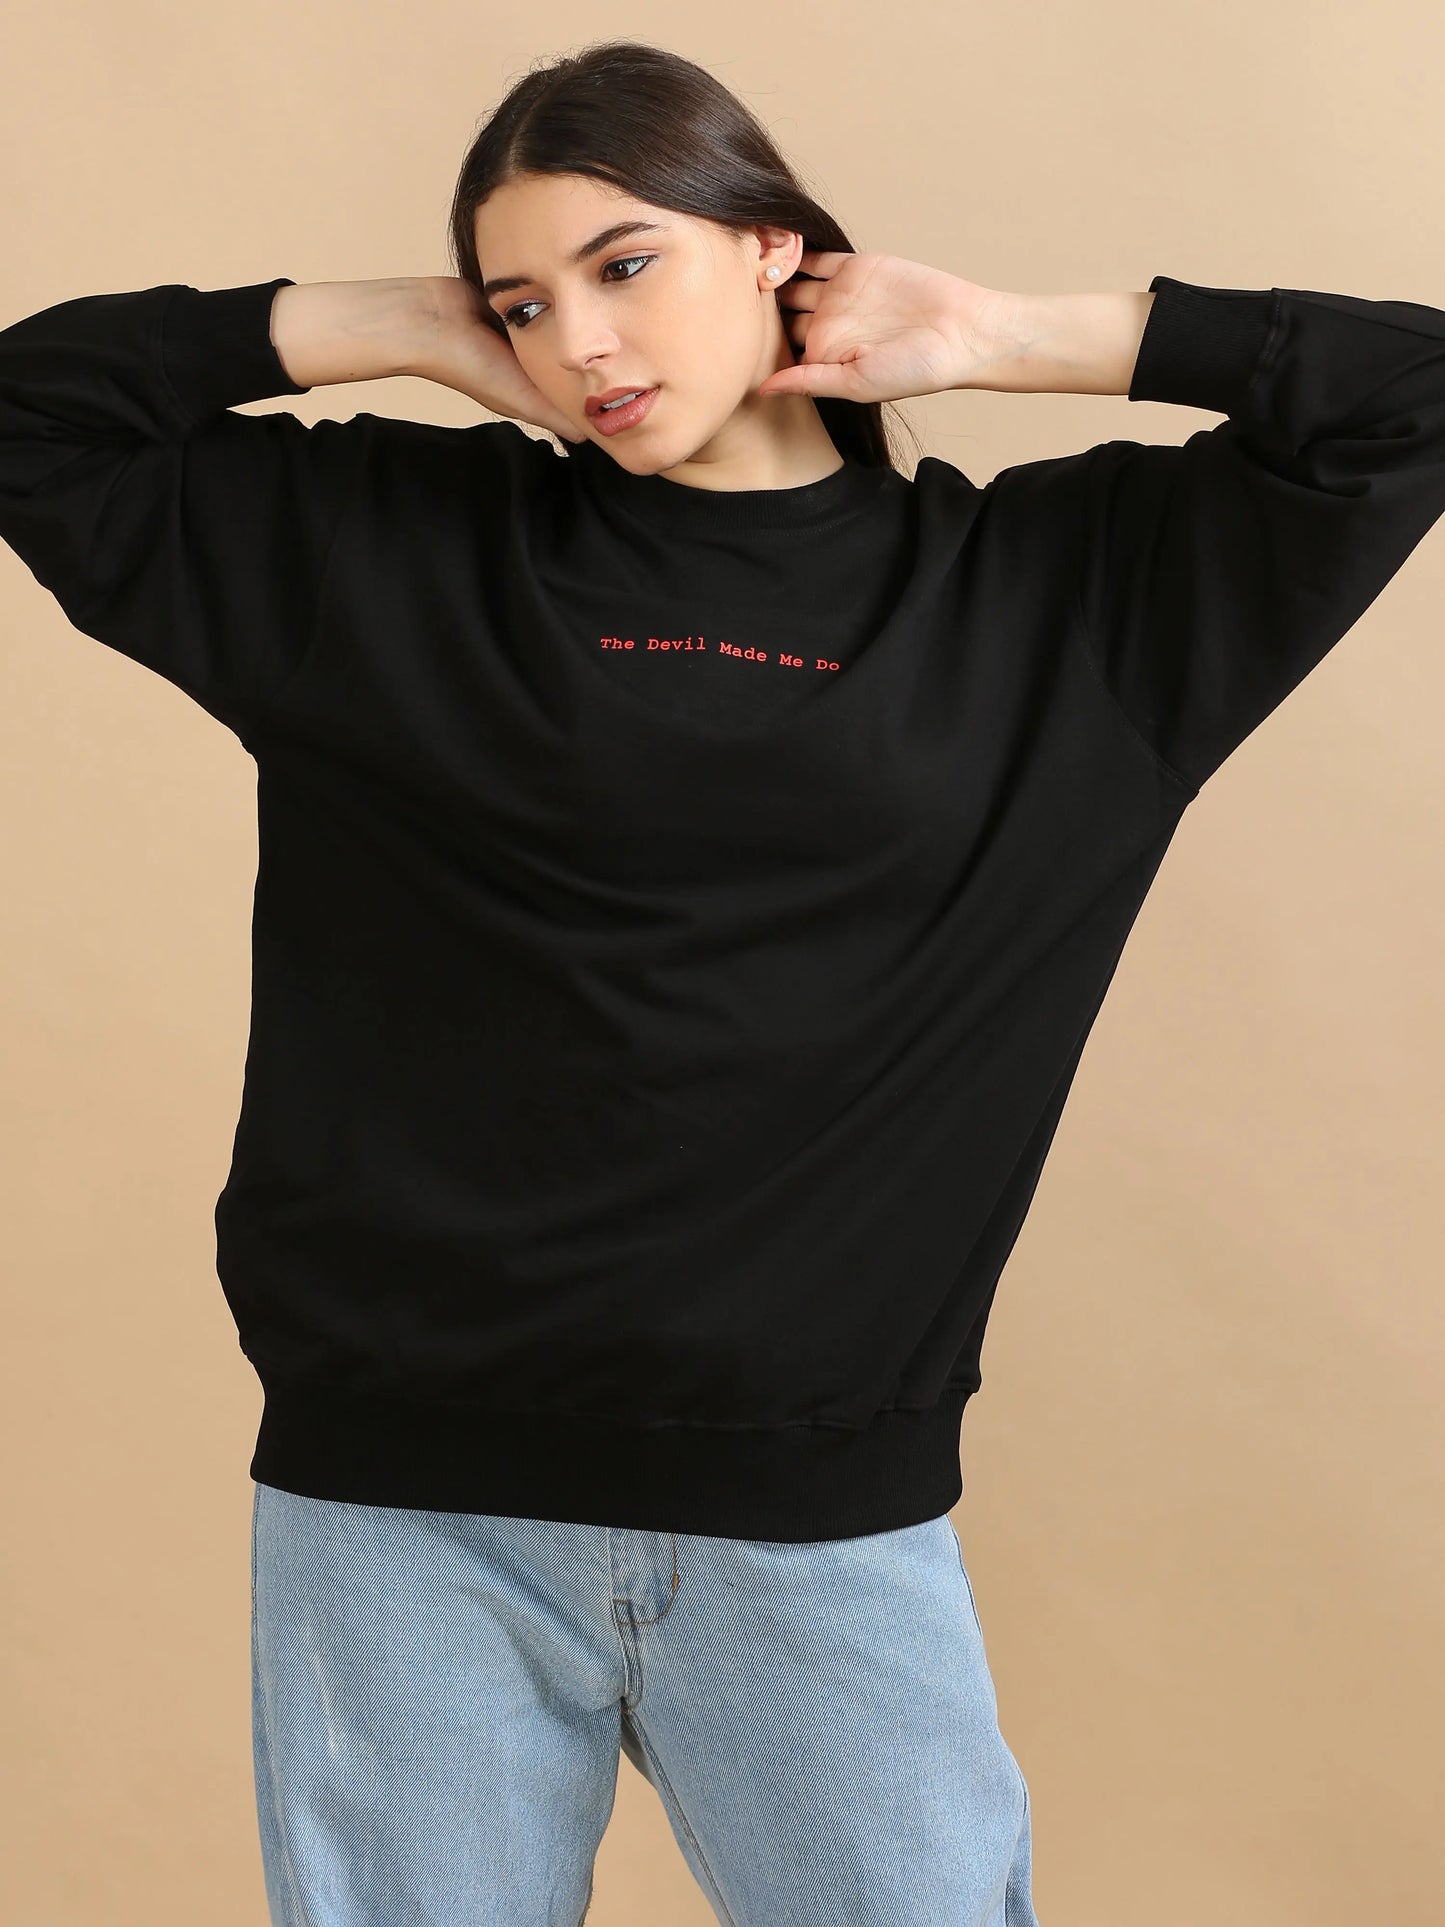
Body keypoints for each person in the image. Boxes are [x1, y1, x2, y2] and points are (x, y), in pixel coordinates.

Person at [3, 35, 1443, 1927]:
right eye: (527, 302)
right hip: (398, 1507)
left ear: (772, 245)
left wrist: (1001, 337)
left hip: (814, 1513)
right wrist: (397, 325)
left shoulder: (1066, 605)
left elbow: (1410, 395)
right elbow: (29, 414)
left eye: (625, 264)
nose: (582, 343)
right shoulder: (383, 554)